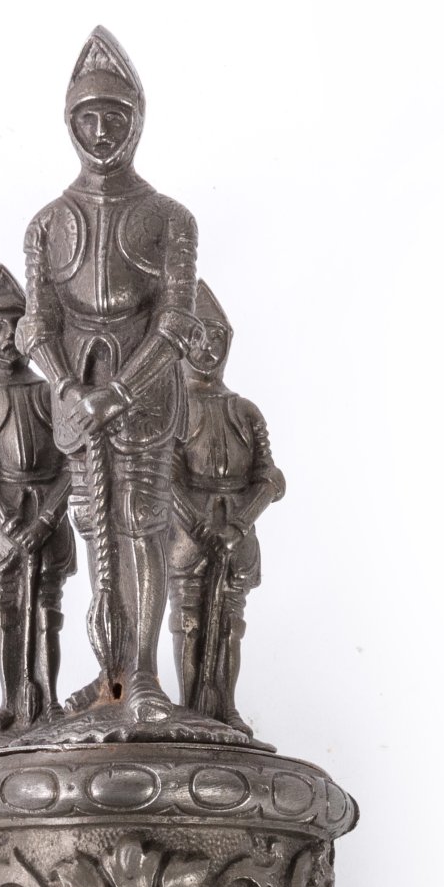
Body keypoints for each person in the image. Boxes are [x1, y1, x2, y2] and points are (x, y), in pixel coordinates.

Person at [17, 29, 202, 726]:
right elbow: (36, 324)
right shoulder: (47, 225)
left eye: (114, 118)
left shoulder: (168, 219)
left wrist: (120, 393)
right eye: (88, 118)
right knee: (97, 528)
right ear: (70, 123)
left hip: (143, 396)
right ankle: (110, 677)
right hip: (77, 395)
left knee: (141, 525)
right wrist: (70, 389)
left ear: (137, 121)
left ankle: (143, 675)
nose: (101, 132)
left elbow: (176, 321)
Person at [0, 265, 73, 732]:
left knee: (47, 612)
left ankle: (49, 698)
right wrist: (6, 518)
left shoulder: (50, 392)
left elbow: (72, 462)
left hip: (47, 512)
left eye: (15, 324)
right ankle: (10, 701)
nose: (7, 336)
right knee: (4, 613)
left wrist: (46, 518)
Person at [168, 283, 285, 733]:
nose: (208, 348)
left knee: (231, 622)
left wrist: (240, 522)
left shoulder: (245, 411)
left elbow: (269, 477)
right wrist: (195, 523)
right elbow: (164, 476)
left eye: (216, 338)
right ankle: (191, 707)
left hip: (237, 528)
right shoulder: (173, 409)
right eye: (199, 337)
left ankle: (226, 708)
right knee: (189, 620)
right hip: (187, 532)